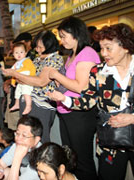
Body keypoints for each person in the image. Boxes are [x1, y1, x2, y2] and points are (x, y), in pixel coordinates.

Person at [48, 23, 134, 180]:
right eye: (101, 48)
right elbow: (88, 100)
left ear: (126, 47)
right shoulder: (99, 71)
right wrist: (64, 99)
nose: (103, 53)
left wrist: (131, 118)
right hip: (111, 142)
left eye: (108, 48)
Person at [43, 16, 101, 180]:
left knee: (83, 160)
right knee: (71, 157)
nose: (62, 41)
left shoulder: (87, 53)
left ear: (75, 33)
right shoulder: (72, 55)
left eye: (64, 36)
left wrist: (56, 75)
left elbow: (81, 87)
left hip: (80, 113)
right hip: (67, 111)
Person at [3, 30, 64, 143]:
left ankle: (41, 160)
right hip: (28, 100)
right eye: (36, 47)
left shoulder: (55, 59)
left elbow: (41, 81)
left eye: (40, 47)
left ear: (49, 45)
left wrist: (16, 75)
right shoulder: (37, 59)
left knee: (39, 138)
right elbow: (26, 76)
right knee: (26, 137)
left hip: (42, 104)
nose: (37, 49)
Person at [0, 115, 43, 180]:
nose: (18, 139)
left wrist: (17, 157)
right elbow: (0, 163)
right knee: (4, 172)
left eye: (24, 135)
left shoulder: (40, 158)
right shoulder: (18, 145)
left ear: (36, 140)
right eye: (17, 133)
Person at [10, 42, 36, 115]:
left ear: (25, 53)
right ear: (13, 54)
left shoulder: (27, 61)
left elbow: (31, 69)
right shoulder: (16, 64)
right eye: (16, 52)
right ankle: (17, 103)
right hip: (21, 81)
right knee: (17, 92)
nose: (19, 54)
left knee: (26, 92)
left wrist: (31, 77)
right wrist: (13, 81)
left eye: (21, 52)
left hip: (27, 81)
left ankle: (28, 105)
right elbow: (12, 72)